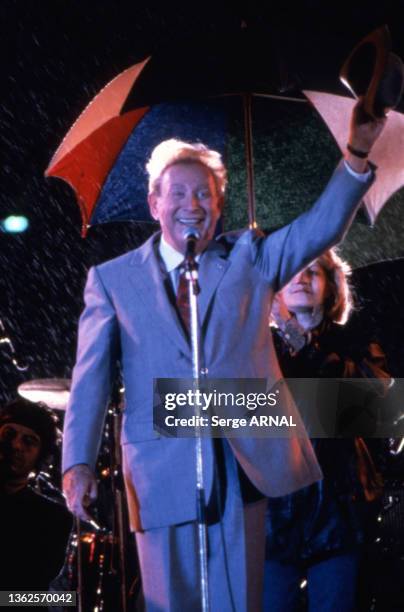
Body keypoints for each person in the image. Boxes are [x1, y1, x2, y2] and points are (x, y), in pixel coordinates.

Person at [62, 101, 386, 611]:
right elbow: (90, 381)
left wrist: (358, 152)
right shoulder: (112, 279)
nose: (192, 204)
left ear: (219, 204)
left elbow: (320, 229)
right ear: (154, 203)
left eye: (205, 194)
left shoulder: (248, 258)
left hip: (241, 469)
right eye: (180, 192)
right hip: (158, 468)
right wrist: (77, 462)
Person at [263, 248, 391, 612]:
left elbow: (377, 409)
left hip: (338, 513)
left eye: (313, 270)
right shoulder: (256, 348)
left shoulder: (355, 340)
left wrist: (300, 340)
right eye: (292, 271)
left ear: (331, 287)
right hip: (274, 516)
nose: (302, 278)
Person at [0, 397, 72, 591]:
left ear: (40, 457)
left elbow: (31, 595)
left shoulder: (54, 519)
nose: (16, 445)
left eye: (29, 441)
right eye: (9, 435)